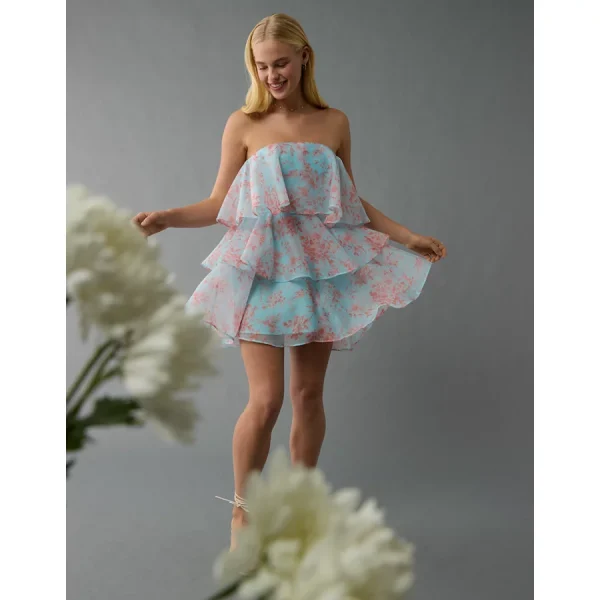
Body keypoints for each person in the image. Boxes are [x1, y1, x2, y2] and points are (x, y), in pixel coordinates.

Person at [133, 13, 447, 549]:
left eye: (280, 63)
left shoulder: (335, 123)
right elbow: (218, 202)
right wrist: (166, 217)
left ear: (304, 57)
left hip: (317, 271)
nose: (272, 75)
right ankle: (242, 512)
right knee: (266, 401)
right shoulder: (243, 124)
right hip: (261, 270)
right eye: (261, 66)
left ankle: (301, 509)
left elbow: (349, 202)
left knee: (308, 395)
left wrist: (406, 236)